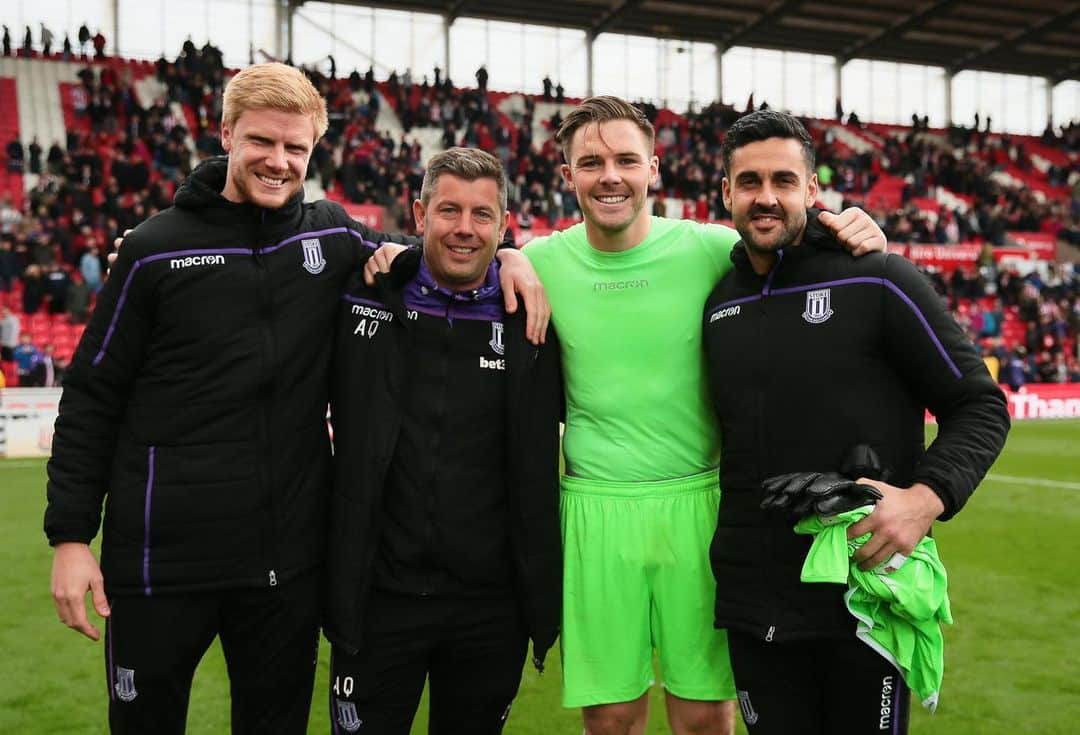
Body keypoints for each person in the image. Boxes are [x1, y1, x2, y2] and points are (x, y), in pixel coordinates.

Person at [44, 62, 545, 735]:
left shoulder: (332, 235)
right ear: (225, 134)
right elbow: (92, 395)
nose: (278, 162)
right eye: (261, 142)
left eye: (295, 148)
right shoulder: (153, 251)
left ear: (313, 150)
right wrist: (72, 535)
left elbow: (439, 252)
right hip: (160, 563)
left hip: (285, 570)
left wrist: (514, 254)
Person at [520, 97, 886, 735]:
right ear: (566, 175)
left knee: (702, 717)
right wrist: (506, 257)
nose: (611, 175)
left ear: (654, 169)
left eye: (627, 160)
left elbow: (795, 241)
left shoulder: (712, 248)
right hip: (595, 508)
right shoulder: (539, 262)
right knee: (610, 720)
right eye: (592, 162)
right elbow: (462, 257)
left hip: (700, 505)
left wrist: (857, 227)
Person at [702, 109, 1010, 734]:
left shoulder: (879, 278)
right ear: (726, 192)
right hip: (751, 601)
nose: (767, 197)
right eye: (750, 181)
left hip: (862, 600)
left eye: (784, 180)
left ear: (813, 191)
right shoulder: (718, 302)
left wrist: (924, 501)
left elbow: (980, 405)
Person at [325, 147, 563, 734]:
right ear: (419, 213)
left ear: (504, 224)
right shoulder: (364, 293)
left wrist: (519, 262)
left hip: (490, 607)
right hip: (379, 600)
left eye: (483, 215)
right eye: (449, 210)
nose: (464, 228)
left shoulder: (529, 317)